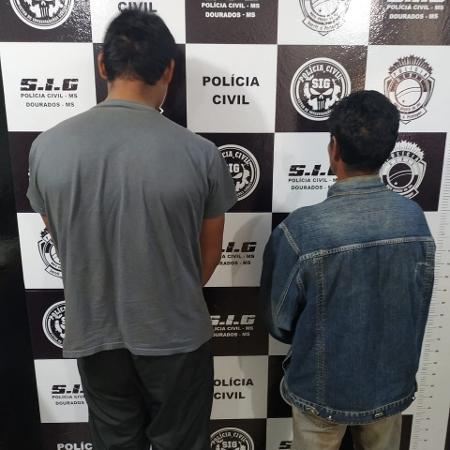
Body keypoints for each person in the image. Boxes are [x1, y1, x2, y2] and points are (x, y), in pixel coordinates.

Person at [26, 10, 236, 450]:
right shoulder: (201, 154)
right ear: (169, 70)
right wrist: (167, 291)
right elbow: (209, 254)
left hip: (95, 334)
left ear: (102, 64)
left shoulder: (45, 148)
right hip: (176, 335)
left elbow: (61, 236)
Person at [260, 90, 435, 450]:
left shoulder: (301, 230)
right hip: (390, 387)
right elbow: (417, 306)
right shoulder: (414, 220)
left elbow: (279, 322)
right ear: (388, 150)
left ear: (334, 148)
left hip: (320, 390)